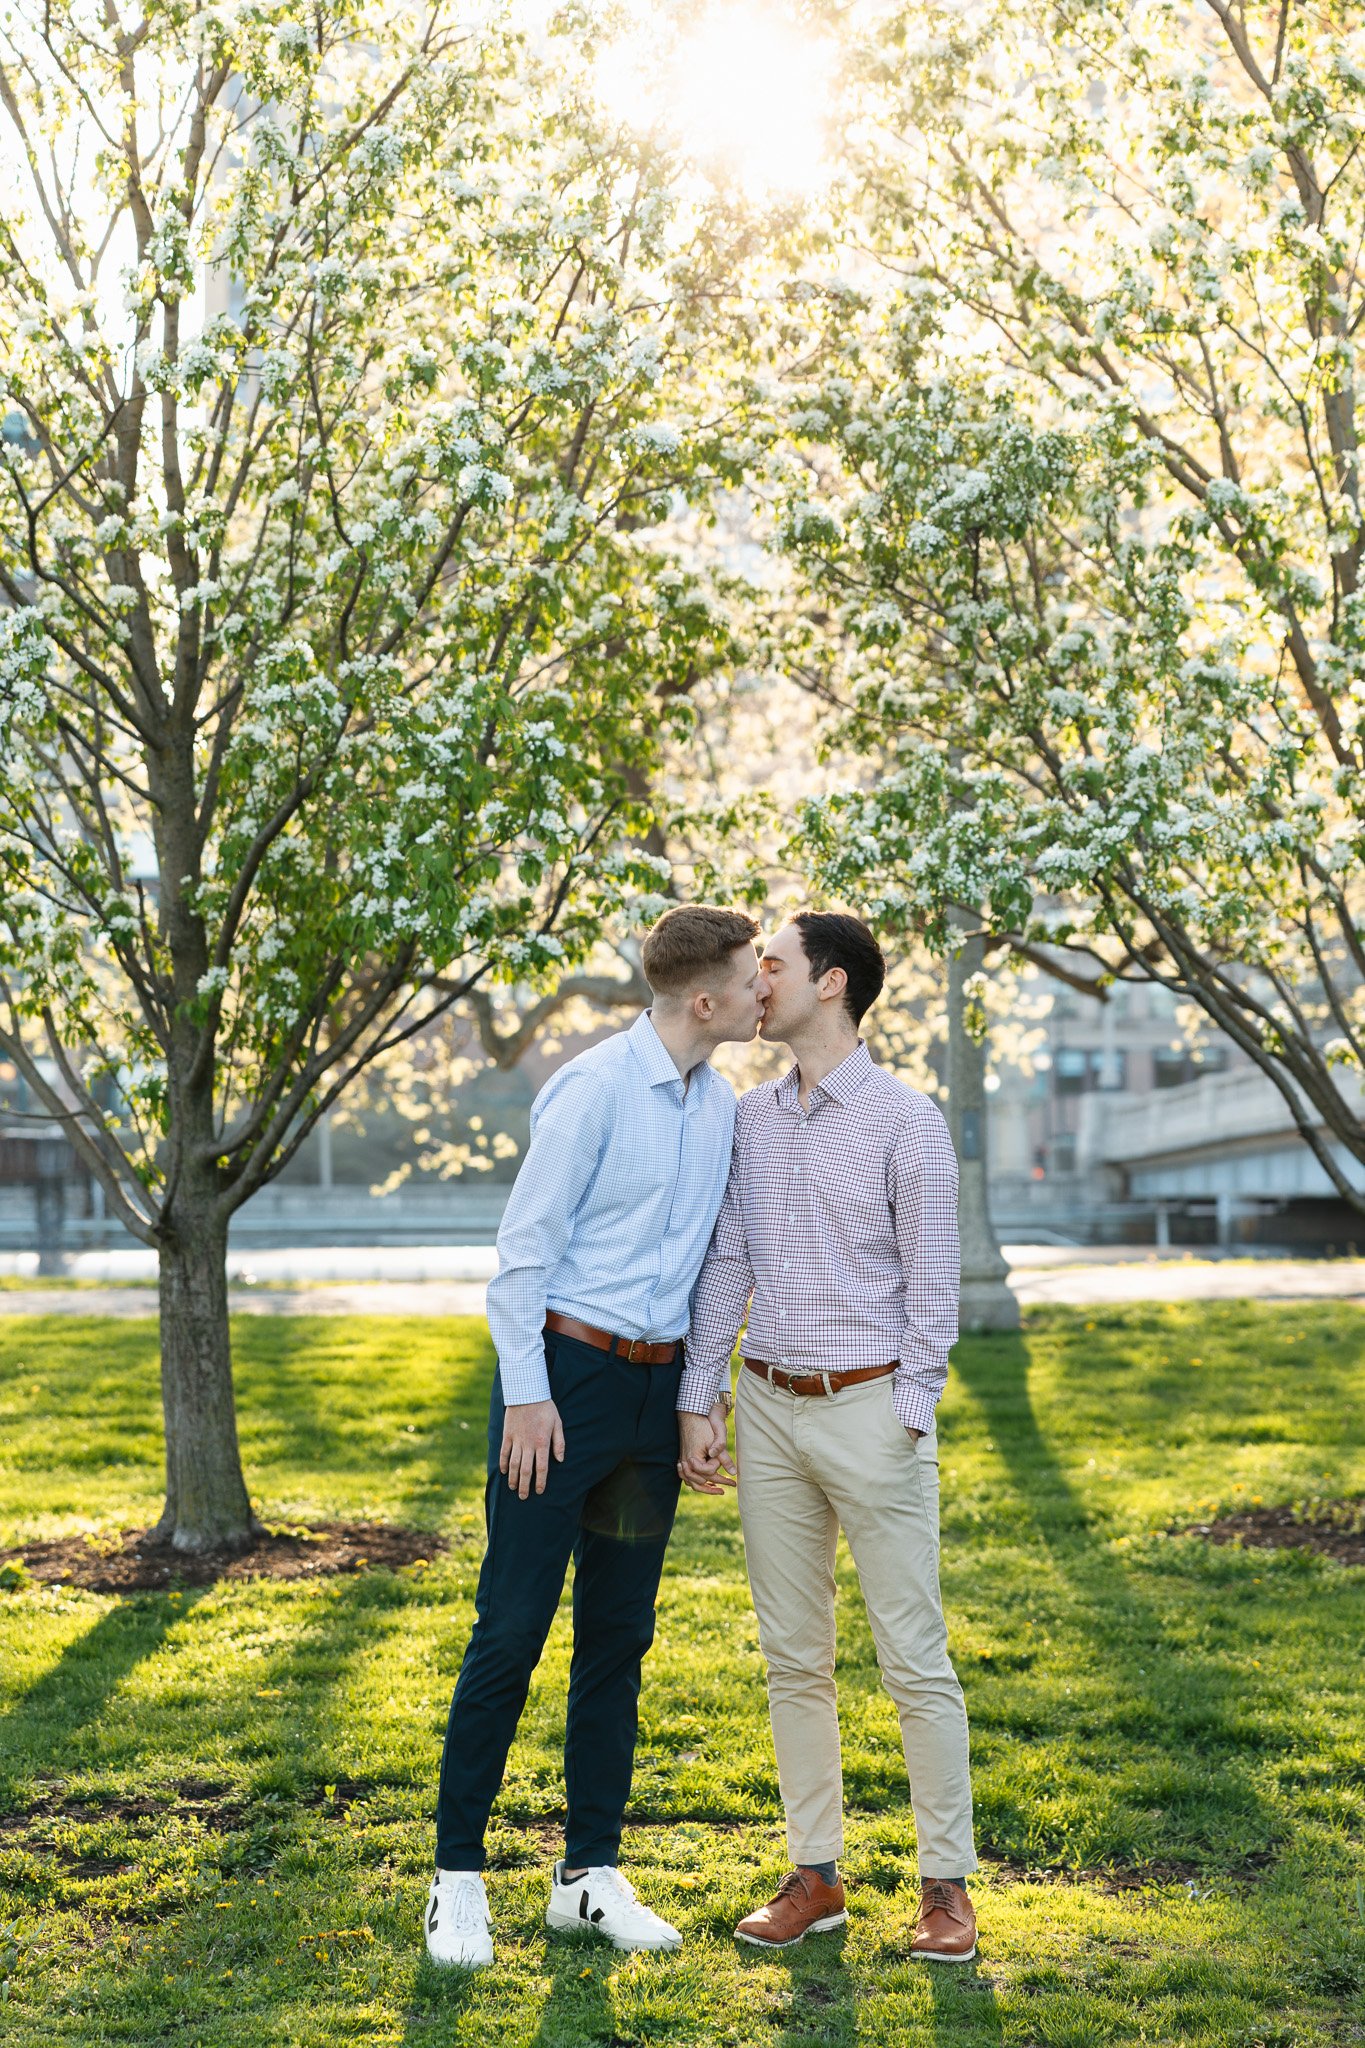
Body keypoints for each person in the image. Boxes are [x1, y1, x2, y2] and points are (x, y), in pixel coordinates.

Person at [425, 903, 765, 1968]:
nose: (763, 991)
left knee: (618, 1636)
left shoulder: (721, 1104)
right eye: (751, 977)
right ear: (703, 1000)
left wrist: (695, 1400)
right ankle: (457, 1878)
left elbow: (706, 1266)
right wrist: (528, 1395)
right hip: (561, 1386)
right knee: (511, 1627)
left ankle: (587, 1875)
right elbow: (521, 1257)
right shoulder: (592, 1088)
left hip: (651, 1403)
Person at [676, 911, 979, 1963]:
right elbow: (729, 1261)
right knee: (791, 1658)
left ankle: (945, 1887)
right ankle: (816, 1875)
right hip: (767, 1408)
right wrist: (701, 1394)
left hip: (871, 1410)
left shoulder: (907, 1122)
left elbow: (933, 1284)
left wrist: (909, 1408)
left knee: (913, 1659)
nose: (757, 981)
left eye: (773, 963)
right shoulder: (749, 1119)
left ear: (832, 982)